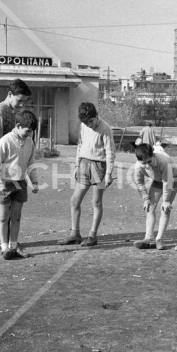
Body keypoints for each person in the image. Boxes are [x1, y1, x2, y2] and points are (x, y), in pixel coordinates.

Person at [0, 79, 32, 249]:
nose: (21, 105)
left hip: (9, 163)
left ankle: (9, 240)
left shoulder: (12, 111)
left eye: (24, 102)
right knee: (1, 199)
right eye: (19, 100)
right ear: (9, 95)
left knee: (11, 202)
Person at [58, 102, 116, 248]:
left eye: (90, 121)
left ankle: (92, 235)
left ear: (96, 116)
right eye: (85, 122)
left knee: (96, 202)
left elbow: (110, 152)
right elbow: (80, 145)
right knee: (74, 200)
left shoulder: (105, 128)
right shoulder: (84, 126)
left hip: (99, 166)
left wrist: (108, 173)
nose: (89, 124)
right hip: (84, 164)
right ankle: (75, 234)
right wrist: (77, 166)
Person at [0, 109, 39, 260]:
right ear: (18, 125)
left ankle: (13, 245)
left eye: (31, 131)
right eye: (27, 131)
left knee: (16, 216)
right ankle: (4, 247)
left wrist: (34, 181)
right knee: (4, 216)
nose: (29, 134)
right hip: (4, 184)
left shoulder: (29, 142)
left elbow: (31, 162)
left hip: (20, 183)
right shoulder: (5, 141)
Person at [133, 143, 177, 251]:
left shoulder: (163, 161)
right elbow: (139, 182)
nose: (147, 166)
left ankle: (159, 239)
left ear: (153, 155)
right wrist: (146, 198)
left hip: (172, 178)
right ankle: (148, 238)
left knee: (165, 209)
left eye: (149, 161)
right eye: (144, 163)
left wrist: (166, 200)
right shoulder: (138, 166)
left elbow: (167, 182)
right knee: (150, 207)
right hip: (157, 179)